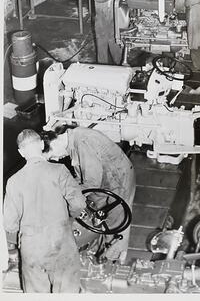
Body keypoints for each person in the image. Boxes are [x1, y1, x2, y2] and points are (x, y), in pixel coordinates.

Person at [3, 129, 86, 293]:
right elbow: (79, 204)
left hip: (32, 246)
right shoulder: (60, 171)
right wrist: (68, 219)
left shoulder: (13, 181)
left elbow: (9, 224)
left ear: (21, 152)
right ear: (41, 144)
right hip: (61, 241)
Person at [42, 124, 136, 262]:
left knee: (116, 225)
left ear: (54, 143)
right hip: (107, 181)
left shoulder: (83, 143)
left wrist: (65, 195)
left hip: (118, 181)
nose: (56, 159)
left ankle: (112, 261)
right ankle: (99, 249)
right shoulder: (75, 139)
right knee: (99, 218)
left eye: (52, 156)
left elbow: (92, 183)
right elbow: (83, 177)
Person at [94, 0, 124, 65]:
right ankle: (102, 68)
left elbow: (123, 5)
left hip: (113, 26)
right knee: (102, 49)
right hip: (101, 25)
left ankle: (119, 65)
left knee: (116, 48)